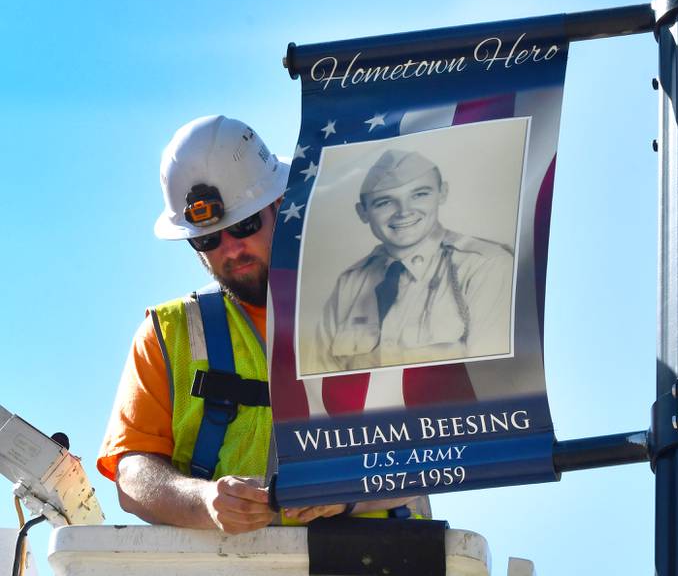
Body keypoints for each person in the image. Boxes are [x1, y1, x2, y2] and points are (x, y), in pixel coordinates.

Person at [98, 115, 420, 534]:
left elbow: (435, 453)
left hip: (368, 558)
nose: (230, 249)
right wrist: (203, 501)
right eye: (208, 239)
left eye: (245, 226)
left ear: (281, 207)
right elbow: (133, 475)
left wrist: (347, 495)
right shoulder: (167, 334)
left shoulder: (384, 305)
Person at [308, 148, 514, 376]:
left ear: (442, 193)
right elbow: (321, 377)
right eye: (384, 202)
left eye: (419, 194)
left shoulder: (486, 267)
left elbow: (492, 377)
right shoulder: (350, 283)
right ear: (363, 212)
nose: (404, 212)